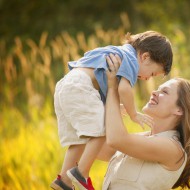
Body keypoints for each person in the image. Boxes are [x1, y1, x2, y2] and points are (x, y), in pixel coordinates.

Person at [50, 31, 173, 190]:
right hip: (81, 86)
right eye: (152, 73)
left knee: (78, 139)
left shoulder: (117, 51)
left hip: (66, 86)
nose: (148, 78)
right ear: (145, 57)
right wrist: (133, 113)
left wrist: (113, 105)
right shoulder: (130, 60)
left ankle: (64, 181)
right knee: (103, 127)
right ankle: (81, 173)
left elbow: (99, 78)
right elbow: (124, 89)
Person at [95, 55, 190, 189]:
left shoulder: (173, 149)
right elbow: (97, 148)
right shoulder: (142, 139)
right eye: (157, 89)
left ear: (179, 109)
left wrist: (113, 90)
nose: (154, 92)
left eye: (164, 92)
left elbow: (116, 139)